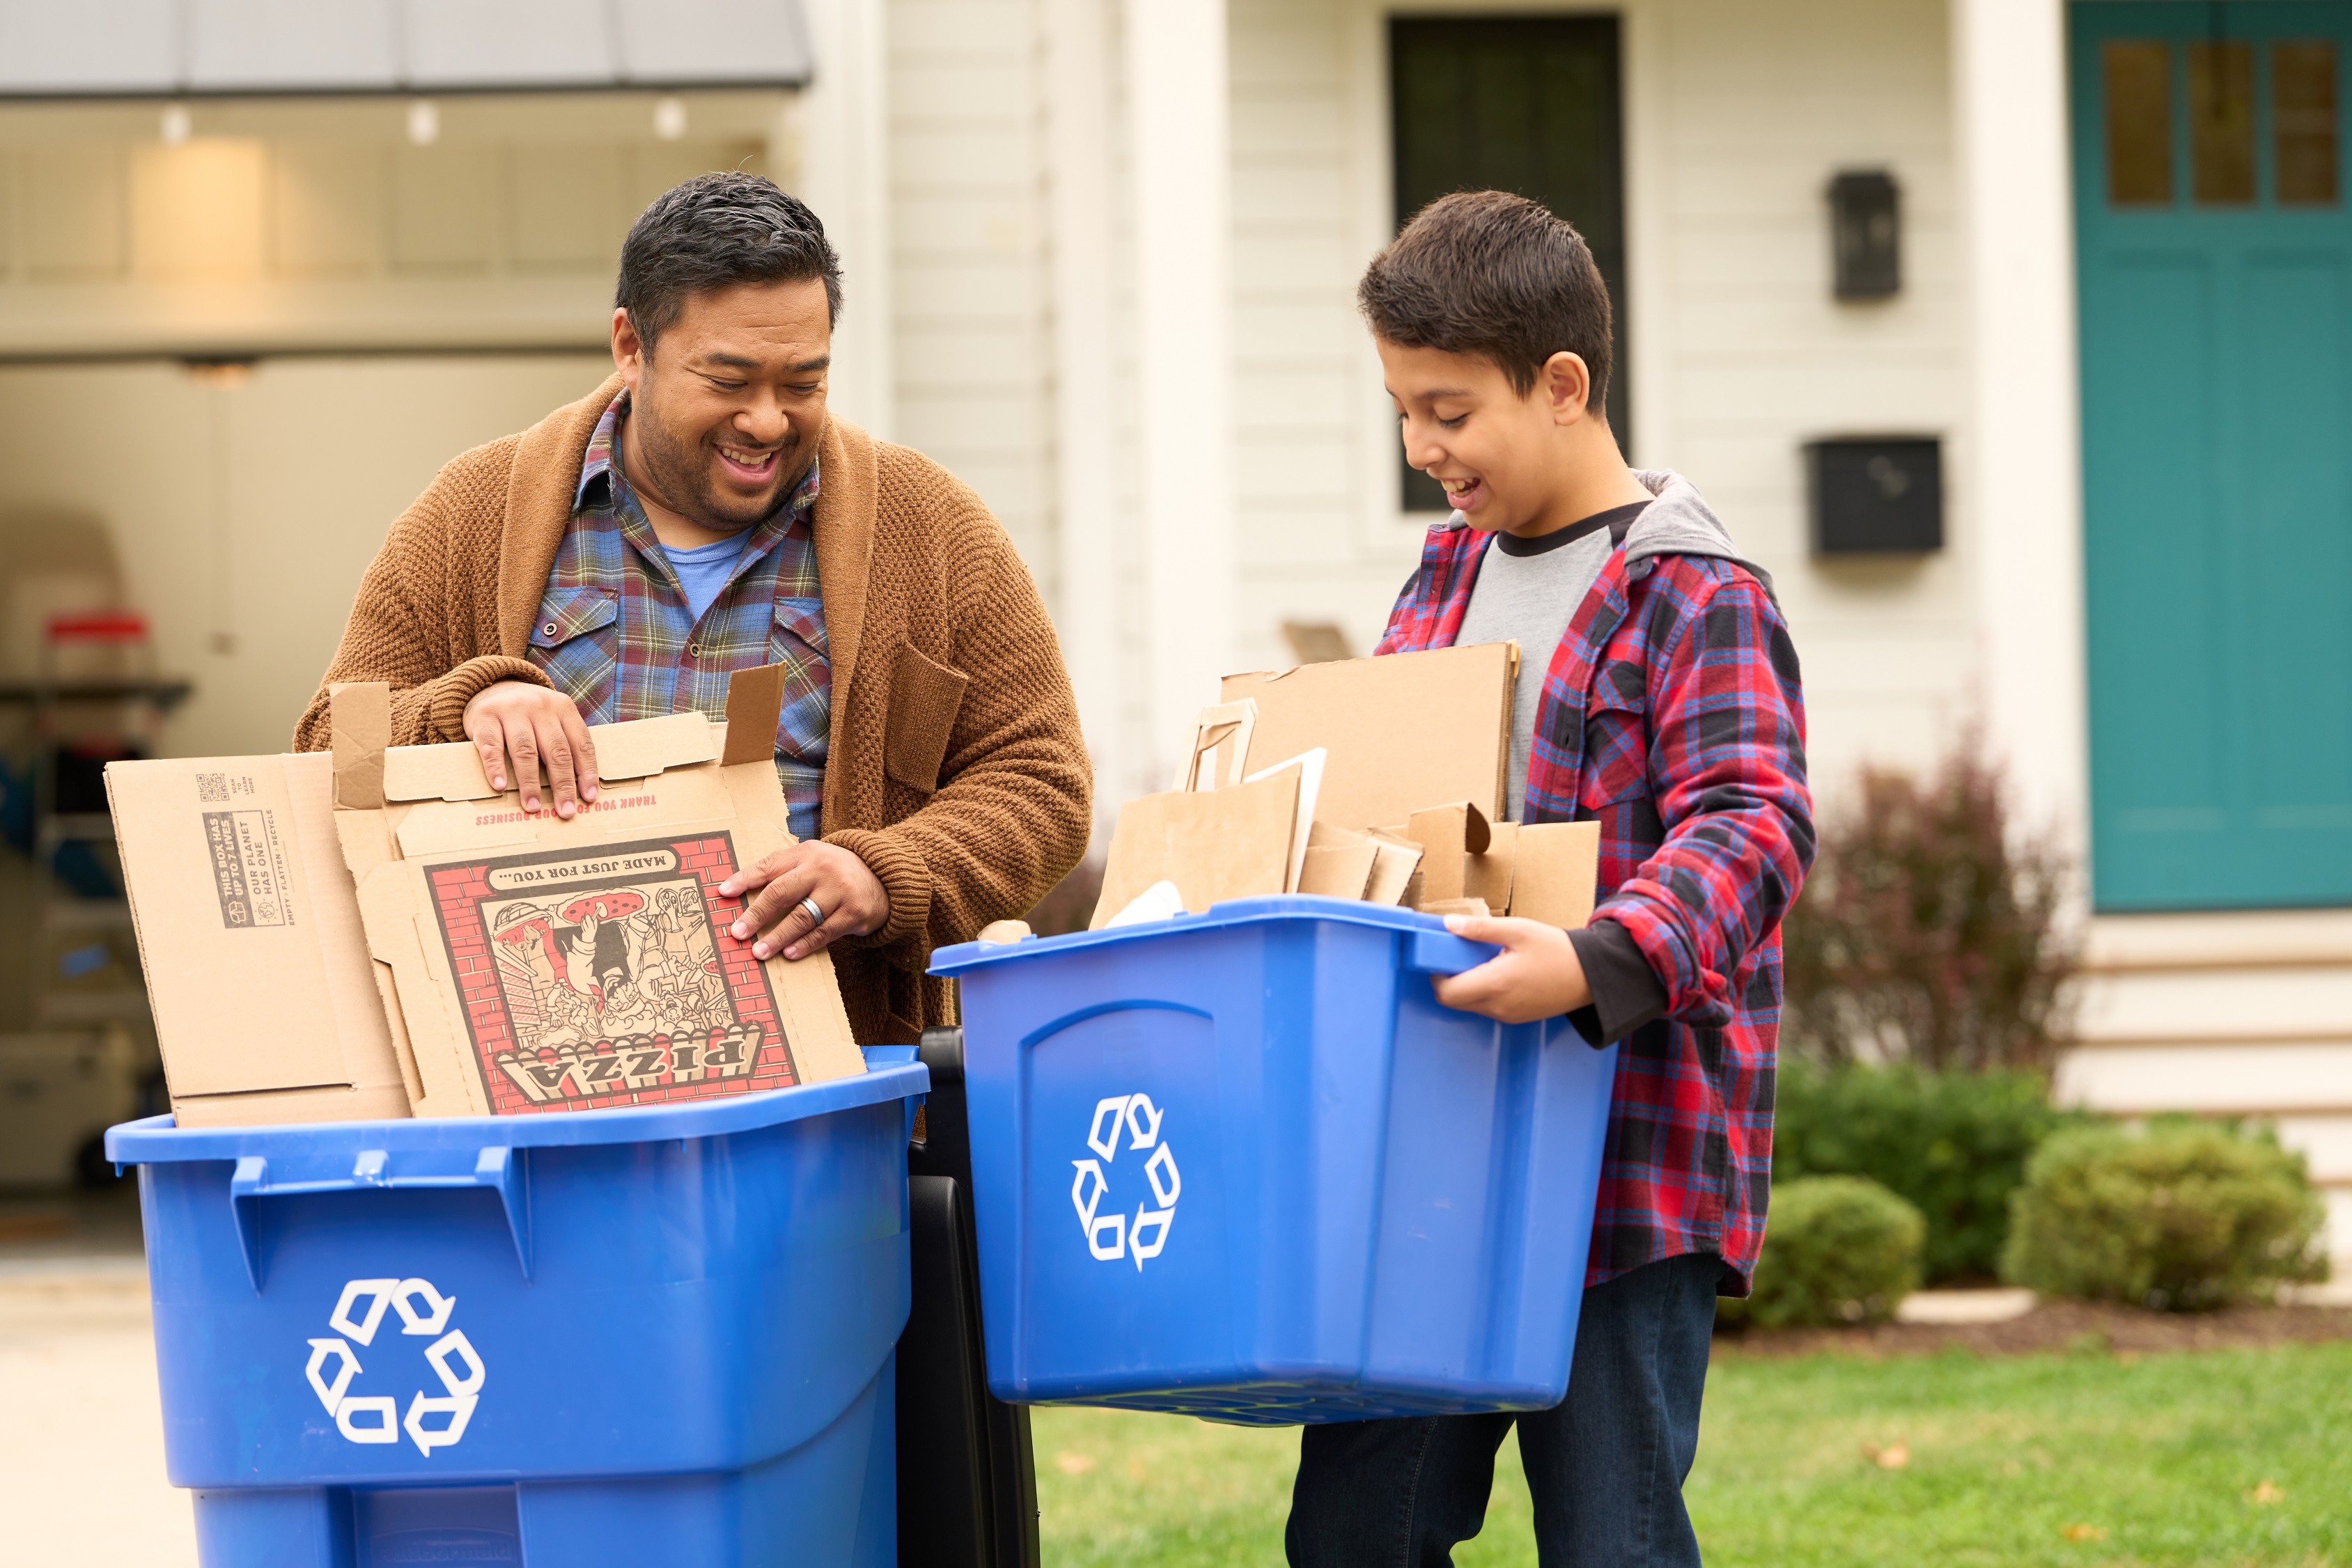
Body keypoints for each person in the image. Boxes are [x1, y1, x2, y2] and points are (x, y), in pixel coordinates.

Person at [1284, 191, 1814, 1566]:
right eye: (1401, 409)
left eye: (1448, 411)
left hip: (1622, 1156)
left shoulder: (1694, 593)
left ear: (1560, 383)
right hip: (1431, 1138)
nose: (1419, 447)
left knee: (1608, 1536)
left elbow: (1751, 823)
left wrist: (1591, 959)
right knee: (1355, 1527)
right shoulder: (1439, 577)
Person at [295, 173, 1090, 1042]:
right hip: (533, 1075)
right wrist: (470, 704)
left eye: (803, 383)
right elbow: (327, 748)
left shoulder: (931, 529)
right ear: (630, 346)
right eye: (728, 379)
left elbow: (1040, 779)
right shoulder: (471, 514)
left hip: (836, 1085)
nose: (765, 421)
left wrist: (883, 871)